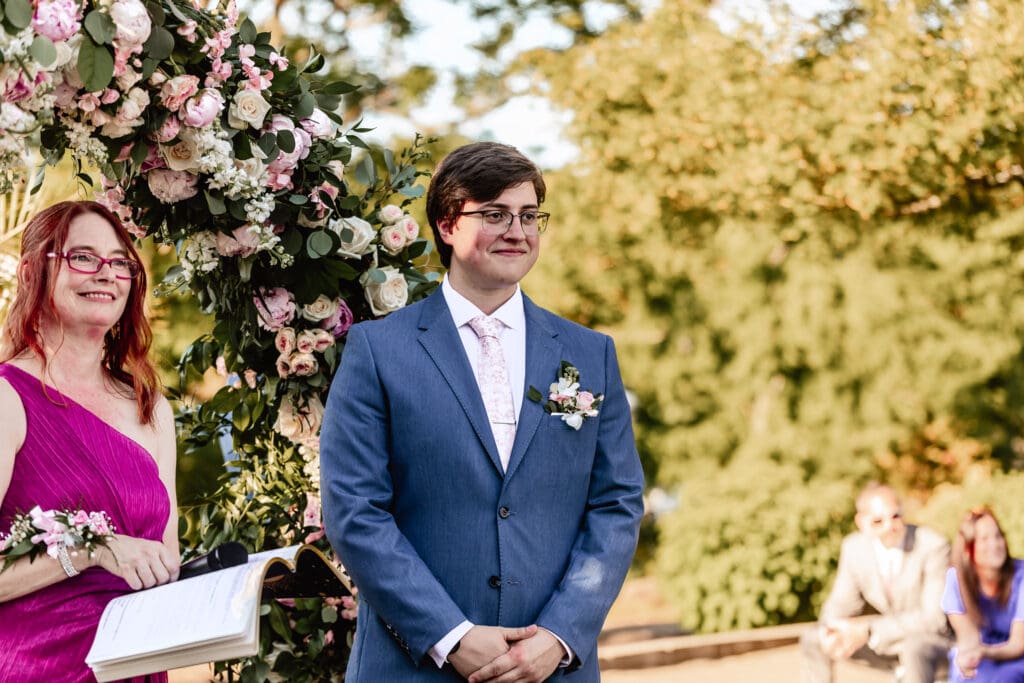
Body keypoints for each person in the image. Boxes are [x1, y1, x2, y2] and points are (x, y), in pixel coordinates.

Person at [320, 141, 645, 682]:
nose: (517, 230)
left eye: (529, 215)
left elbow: (616, 502)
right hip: (413, 666)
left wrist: (562, 636)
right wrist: (450, 636)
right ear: (448, 225)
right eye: (494, 214)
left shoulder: (591, 353)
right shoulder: (379, 351)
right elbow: (355, 510)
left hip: (552, 668)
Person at [0, 201, 180, 681]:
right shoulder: (6, 398)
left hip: (137, 668)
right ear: (34, 270)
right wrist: (89, 550)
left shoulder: (151, 409)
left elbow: (168, 562)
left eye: (119, 262)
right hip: (36, 669)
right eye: (82, 256)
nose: (106, 274)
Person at [801, 483, 952, 683]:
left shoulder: (932, 545)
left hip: (931, 641)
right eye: (878, 521)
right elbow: (840, 604)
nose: (889, 526)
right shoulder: (854, 548)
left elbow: (935, 619)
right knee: (814, 638)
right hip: (888, 641)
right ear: (861, 522)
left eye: (895, 516)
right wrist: (831, 631)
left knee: (913, 648)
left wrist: (869, 630)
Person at [941, 507, 1024, 682]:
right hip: (982, 652)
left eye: (998, 536)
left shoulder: (1021, 576)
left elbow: (1018, 645)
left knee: (1005, 678)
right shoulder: (955, 579)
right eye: (984, 539)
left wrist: (982, 651)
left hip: (1017, 655)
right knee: (964, 674)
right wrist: (969, 656)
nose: (995, 544)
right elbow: (968, 638)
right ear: (967, 548)